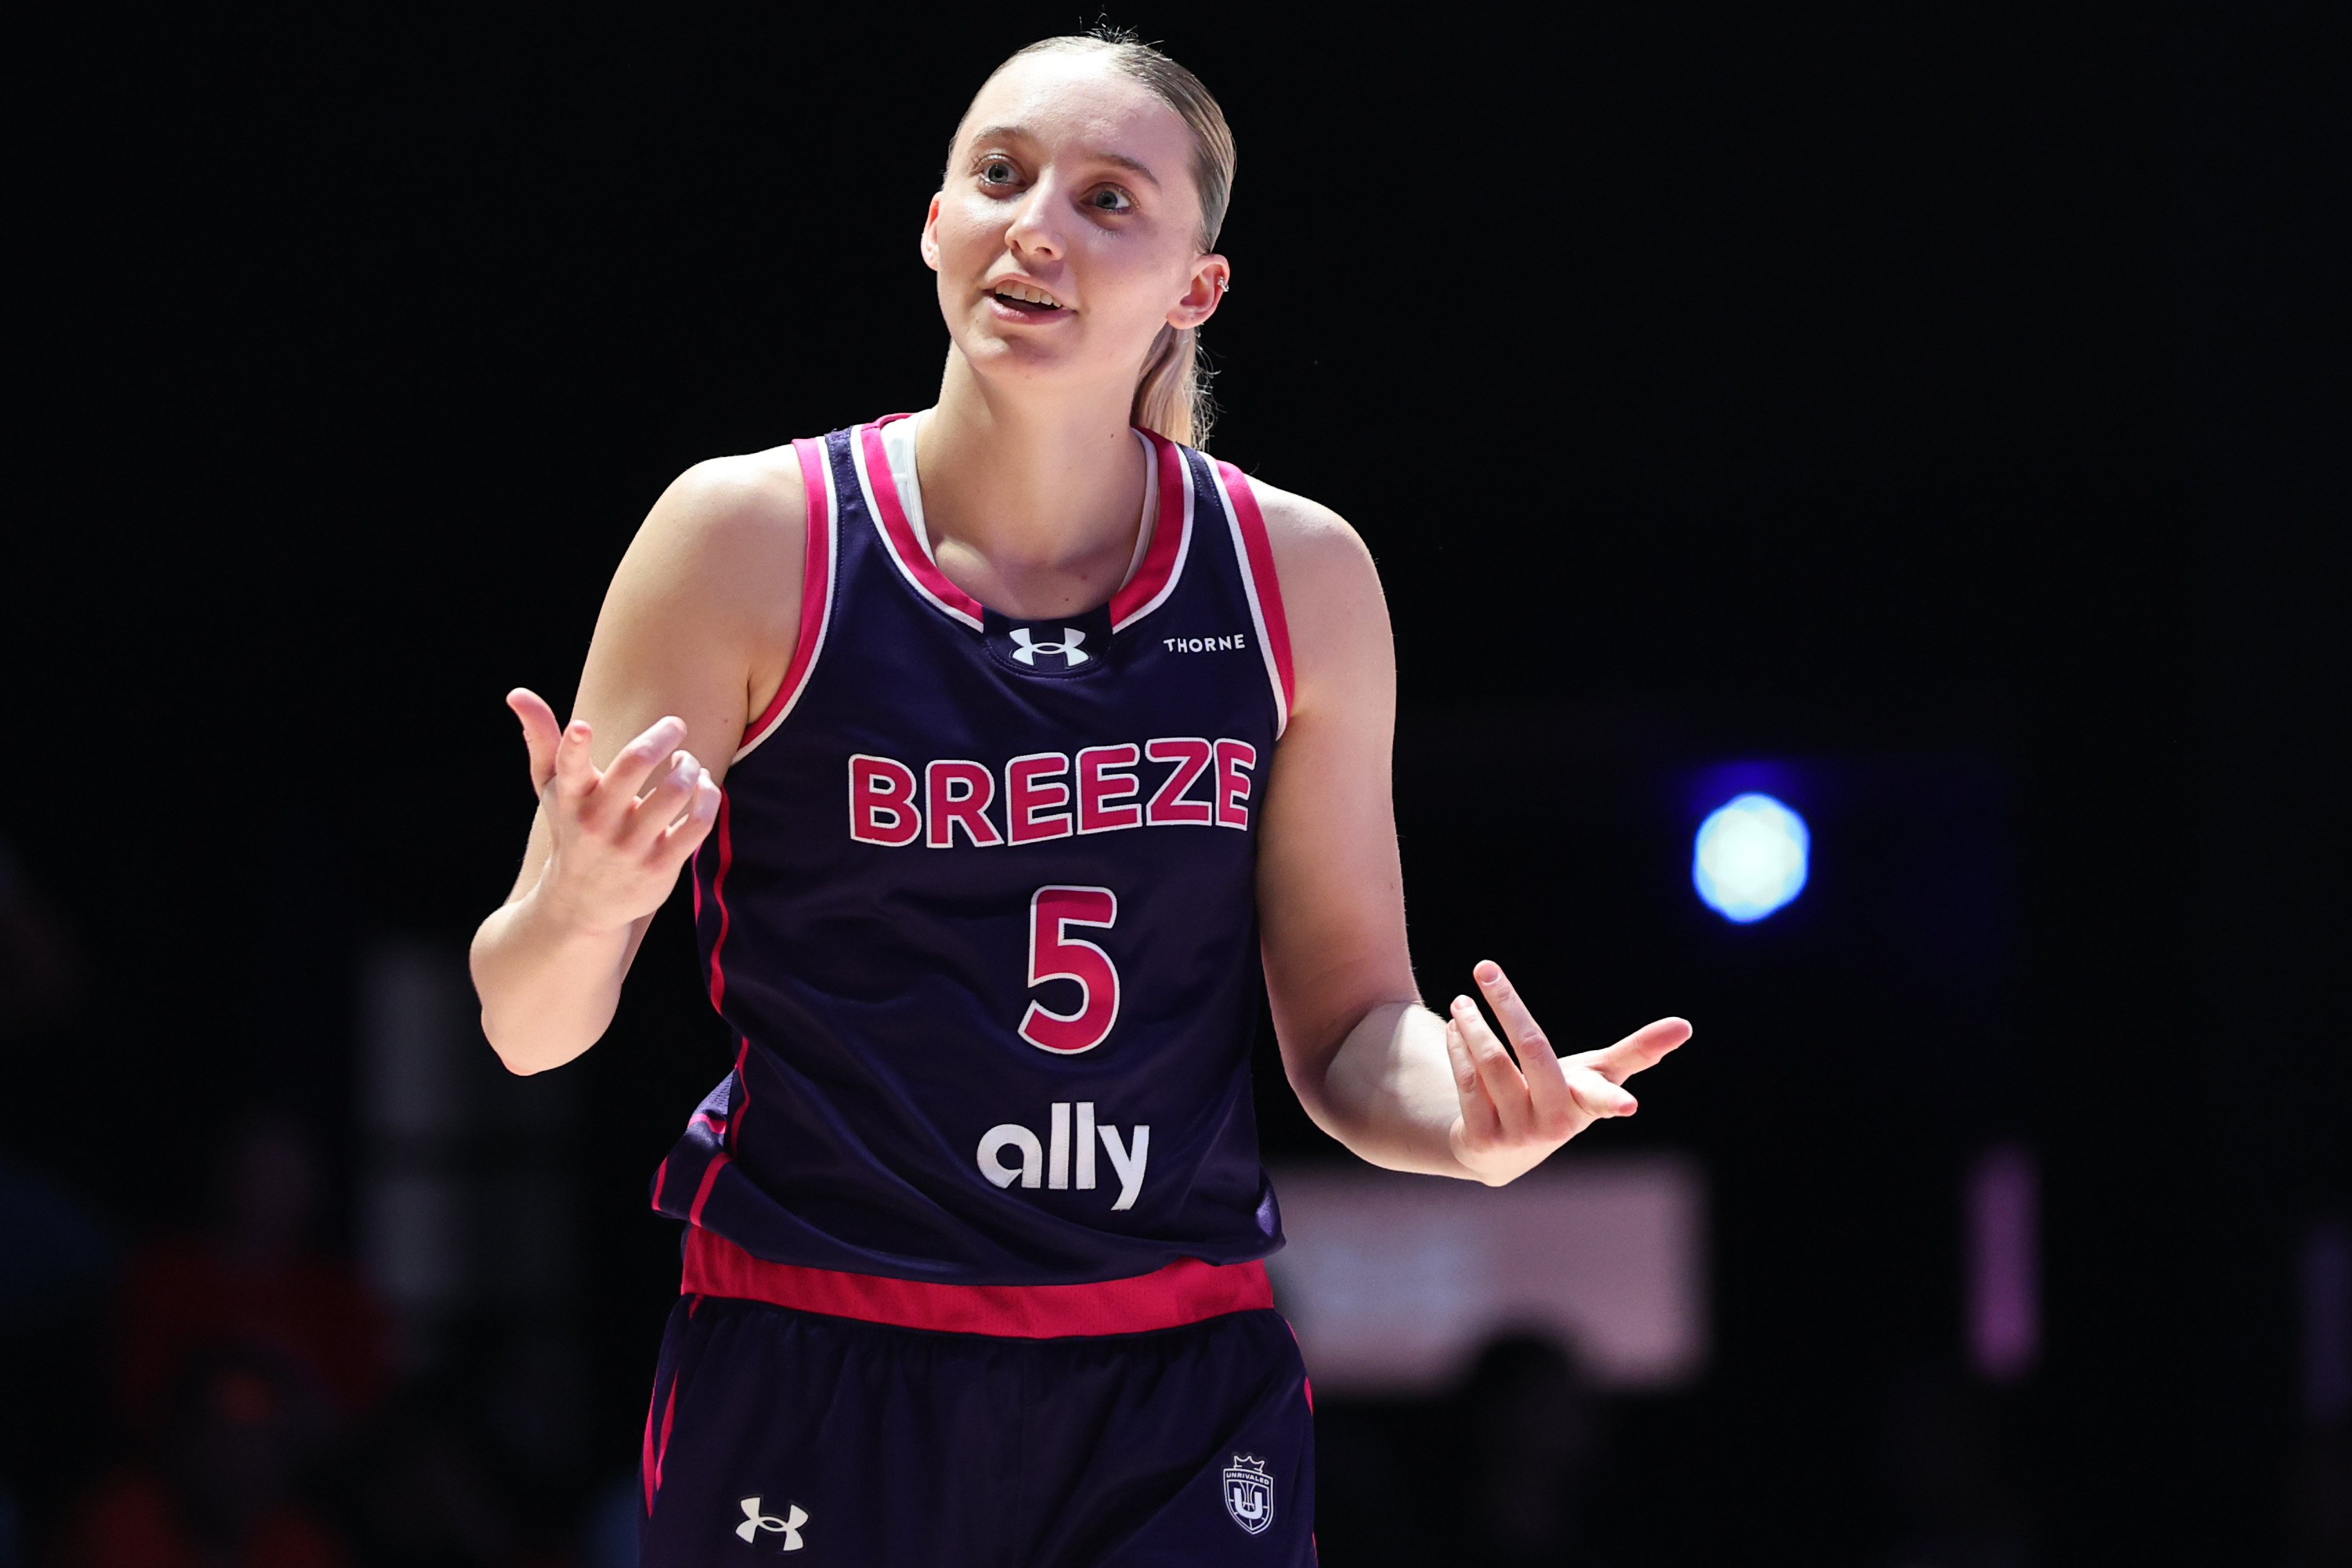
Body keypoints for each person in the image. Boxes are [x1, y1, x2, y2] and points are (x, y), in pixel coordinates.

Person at [469, 30, 1689, 1565]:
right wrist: (580, 902)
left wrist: (1471, 1124)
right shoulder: (744, 536)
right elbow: (525, 1025)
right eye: (1001, 177)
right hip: (821, 1349)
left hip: (1169, 1378)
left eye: (1110, 198)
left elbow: (1349, 1032)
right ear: (933, 227)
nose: (1038, 225)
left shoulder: (1296, 573)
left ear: (1198, 288)